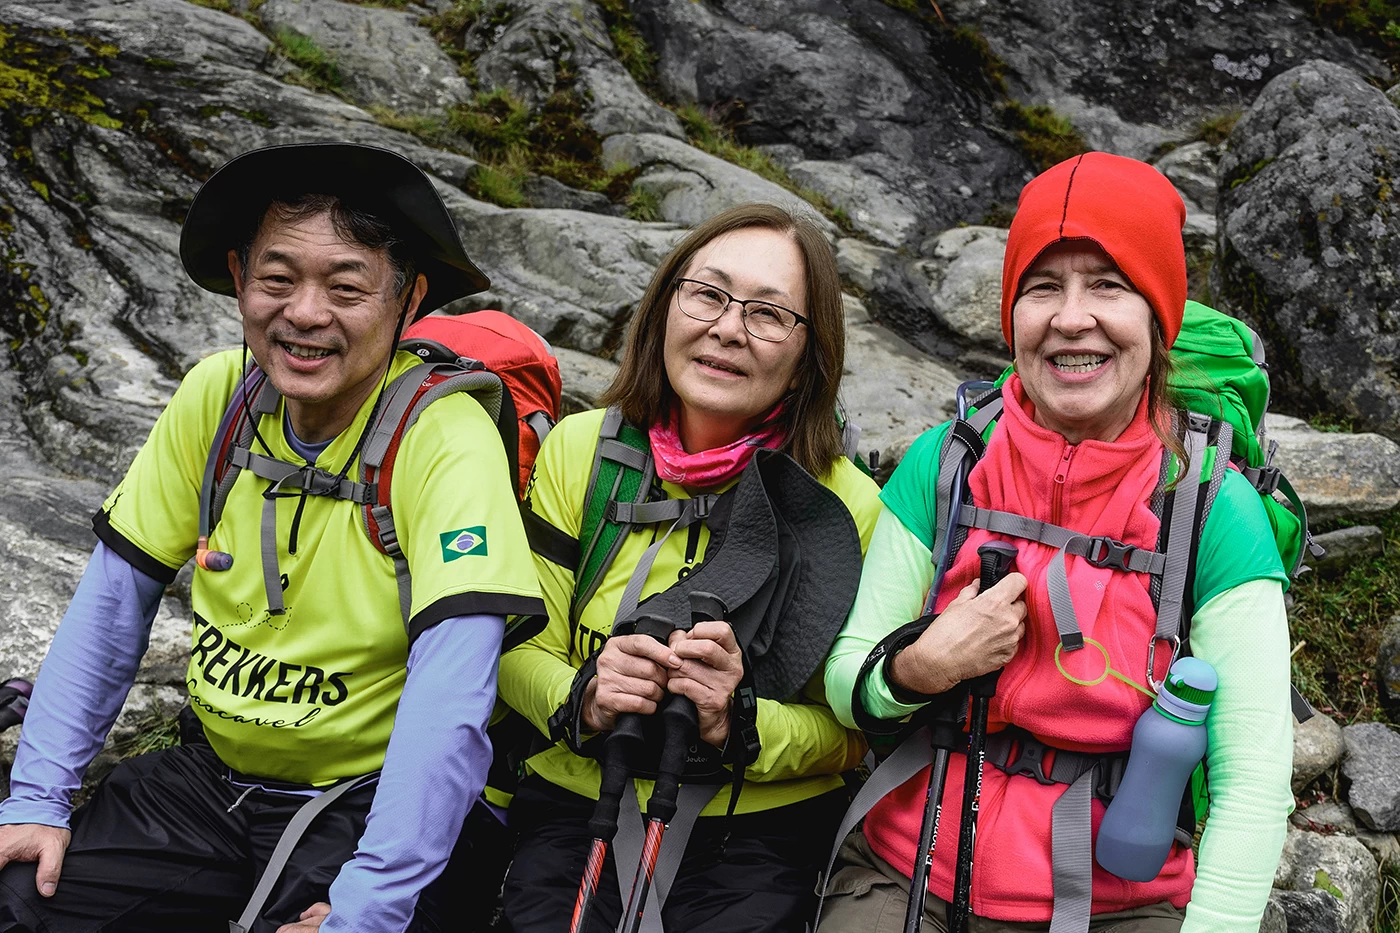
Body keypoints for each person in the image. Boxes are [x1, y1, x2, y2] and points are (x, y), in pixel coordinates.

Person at [0, 142, 545, 933]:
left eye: (347, 285)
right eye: (277, 278)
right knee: (22, 901)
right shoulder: (219, 394)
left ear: (408, 297)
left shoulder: (442, 432)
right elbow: (114, 600)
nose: (305, 314)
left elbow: (452, 687)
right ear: (239, 276)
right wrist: (38, 797)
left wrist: (373, 902)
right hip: (209, 779)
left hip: (367, 797)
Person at [821, 152, 1293, 932]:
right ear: (1012, 316)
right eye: (1044, 286)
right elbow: (847, 678)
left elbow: (1252, 783)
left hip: (1118, 902)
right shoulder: (944, 466)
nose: (1072, 318)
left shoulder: (1212, 508)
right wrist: (916, 667)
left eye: (1108, 285)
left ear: (1158, 317)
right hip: (905, 870)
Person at [498, 202, 883, 932]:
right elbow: (515, 645)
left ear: (810, 352)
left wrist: (736, 718)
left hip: (756, 832)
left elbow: (853, 729)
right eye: (708, 293)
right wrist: (585, 693)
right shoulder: (583, 454)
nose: (728, 328)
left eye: (769, 313)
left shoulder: (843, 503)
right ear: (665, 305)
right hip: (578, 801)